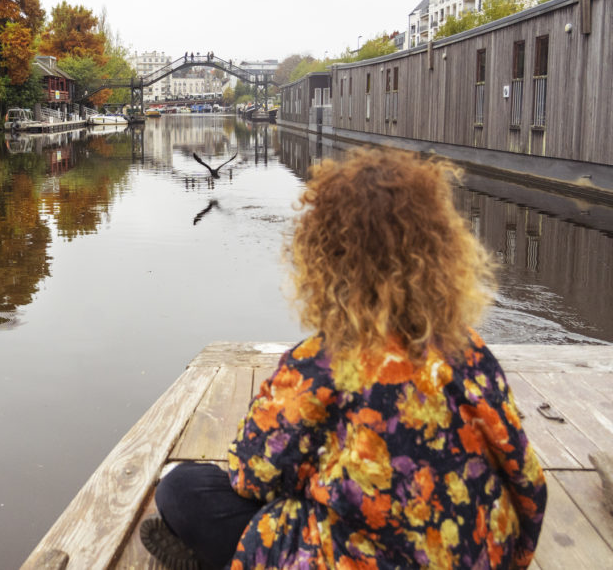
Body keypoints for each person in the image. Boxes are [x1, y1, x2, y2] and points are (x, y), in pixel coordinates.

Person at [141, 147, 547, 570]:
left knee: (181, 488)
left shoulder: (322, 363)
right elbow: (528, 478)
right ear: (442, 249)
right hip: (481, 552)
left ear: (325, 255)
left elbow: (250, 471)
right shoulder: (471, 351)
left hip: (363, 558)